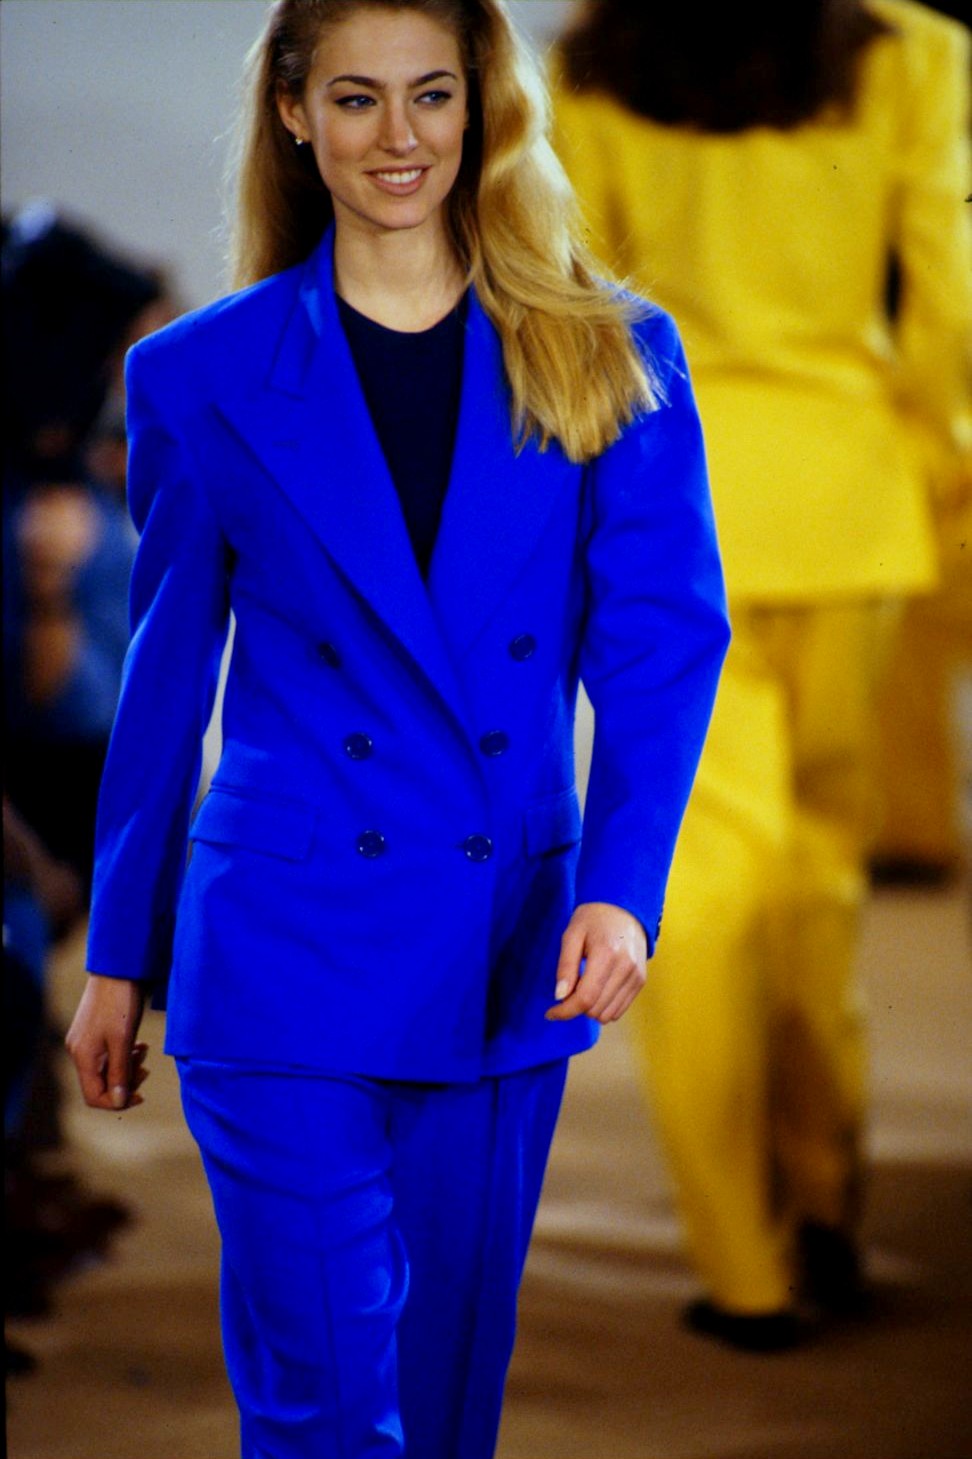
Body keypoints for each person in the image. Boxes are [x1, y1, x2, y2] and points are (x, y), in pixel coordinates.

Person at [64, 1, 729, 1453]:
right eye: (357, 98)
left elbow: (662, 645)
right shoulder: (198, 374)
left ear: (481, 106)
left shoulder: (609, 352)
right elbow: (165, 680)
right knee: (325, 1406)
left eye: (432, 94)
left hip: (502, 935)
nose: (399, 137)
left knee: (441, 1404)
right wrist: (121, 953)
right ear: (293, 113)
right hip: (278, 941)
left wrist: (623, 886)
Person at [552, 0, 971, 1351]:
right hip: (851, 500)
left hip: (669, 506)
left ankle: (746, 1266)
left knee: (702, 883)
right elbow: (951, 289)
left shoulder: (595, 62)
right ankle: (827, 1199)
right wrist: (937, 463)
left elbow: (570, 295)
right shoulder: (911, 54)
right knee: (820, 875)